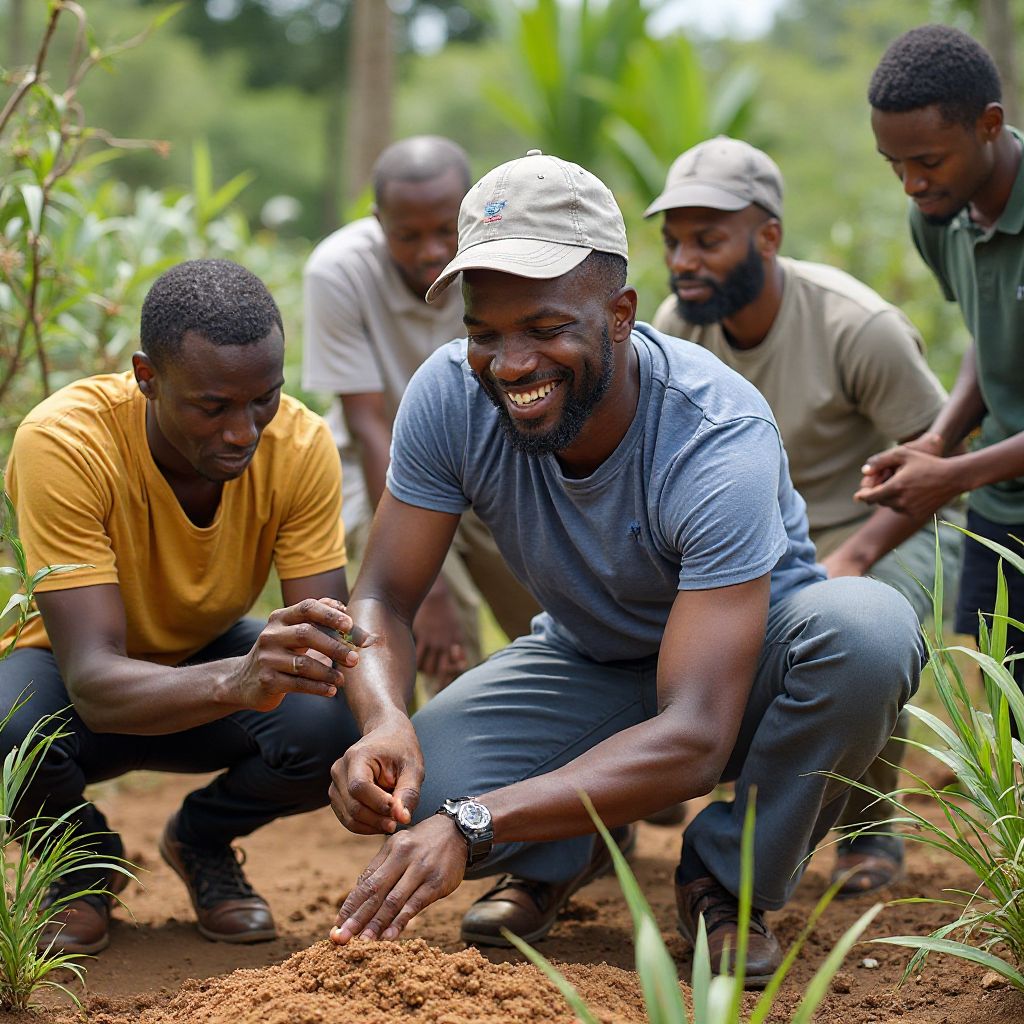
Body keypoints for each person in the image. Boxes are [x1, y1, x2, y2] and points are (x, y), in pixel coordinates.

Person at [323, 151, 924, 987]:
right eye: (484, 332)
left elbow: (693, 736)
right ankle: (568, 849)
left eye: (543, 328)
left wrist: (476, 822)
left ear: (619, 313)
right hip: (587, 658)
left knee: (868, 633)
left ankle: (725, 878)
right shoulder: (449, 398)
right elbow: (384, 592)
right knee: (414, 801)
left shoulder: (715, 435)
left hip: (744, 676)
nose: (511, 364)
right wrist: (384, 715)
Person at [0, 259, 370, 955]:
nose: (244, 431)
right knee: (6, 728)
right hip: (74, 681)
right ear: (147, 378)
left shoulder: (300, 443)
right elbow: (93, 684)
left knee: (329, 719)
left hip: (205, 650)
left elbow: (331, 643)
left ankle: (200, 840)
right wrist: (238, 681)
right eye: (213, 406)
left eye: (264, 398)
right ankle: (78, 861)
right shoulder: (65, 442)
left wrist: (382, 731)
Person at [646, 135, 959, 895]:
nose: (685, 260)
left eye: (708, 240)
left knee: (867, 618)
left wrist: (853, 556)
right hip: (747, 530)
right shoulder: (677, 326)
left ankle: (867, 822)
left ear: (769, 237)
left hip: (884, 519)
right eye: (674, 242)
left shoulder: (857, 327)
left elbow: (938, 463)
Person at [303, 135, 539, 689]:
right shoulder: (339, 271)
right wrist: (425, 585)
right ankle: (411, 746)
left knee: (544, 605)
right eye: (407, 236)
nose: (432, 251)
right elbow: (366, 421)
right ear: (378, 221)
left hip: (489, 454)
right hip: (381, 465)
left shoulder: (502, 258)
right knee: (431, 628)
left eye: (445, 231)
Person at [866, 25, 1024, 697]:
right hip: (1004, 502)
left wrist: (953, 476)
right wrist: (938, 439)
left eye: (927, 161)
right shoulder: (938, 216)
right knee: (1013, 711)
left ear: (989, 125)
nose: (910, 184)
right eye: (894, 164)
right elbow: (989, 337)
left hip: (984, 476)